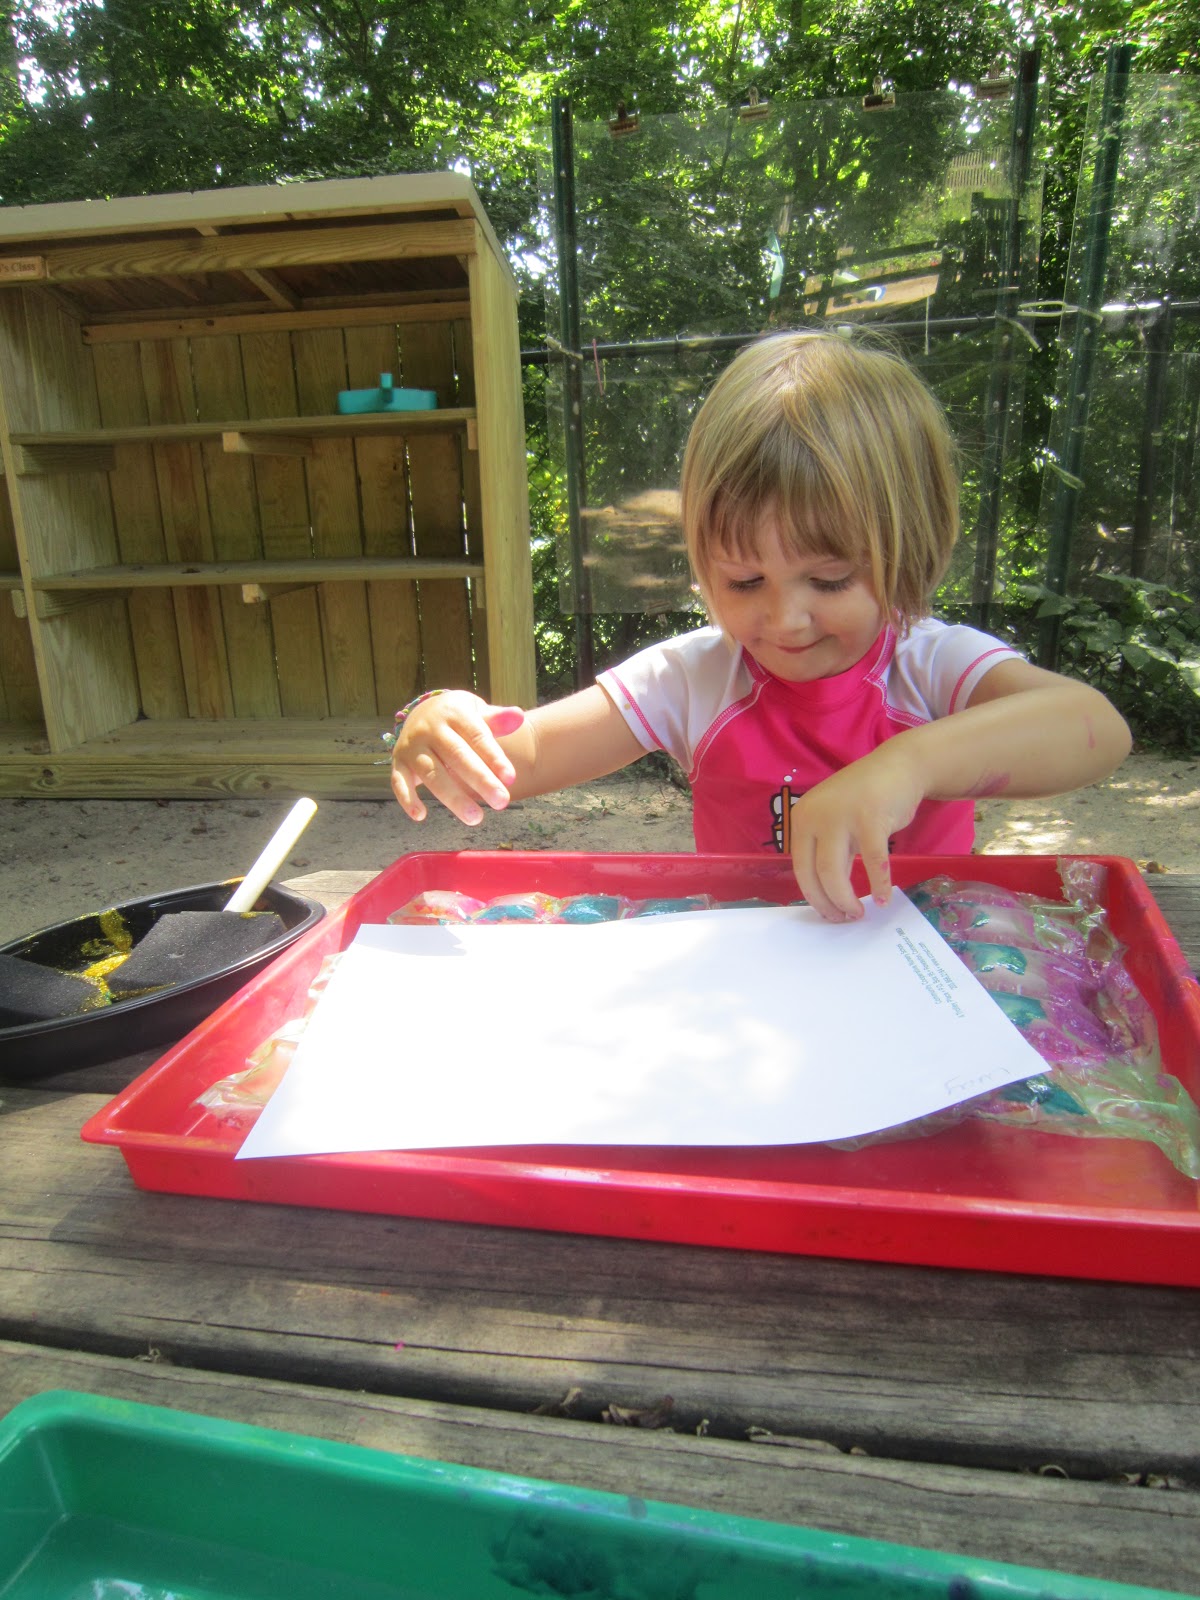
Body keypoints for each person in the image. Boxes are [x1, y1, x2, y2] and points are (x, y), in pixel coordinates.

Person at [389, 331, 1131, 922]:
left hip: (923, 970)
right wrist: (441, 725)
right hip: (746, 981)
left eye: (831, 578)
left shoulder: (932, 664)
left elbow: (1094, 727)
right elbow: (522, 759)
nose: (785, 618)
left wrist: (906, 766)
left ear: (910, 546)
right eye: (745, 581)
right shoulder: (692, 679)